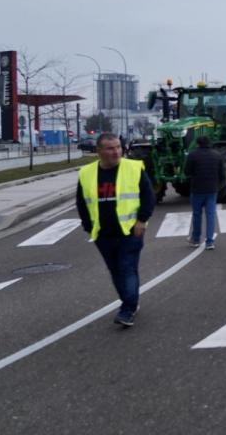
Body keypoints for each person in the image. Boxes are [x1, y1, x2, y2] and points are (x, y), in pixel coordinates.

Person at [76, 132, 156, 327]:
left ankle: (128, 308)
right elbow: (81, 202)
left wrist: (141, 221)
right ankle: (130, 301)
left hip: (130, 231)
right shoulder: (86, 173)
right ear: (99, 151)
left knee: (127, 268)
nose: (116, 152)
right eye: (110, 148)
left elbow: (149, 196)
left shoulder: (133, 168)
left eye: (118, 147)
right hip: (103, 234)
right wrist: (88, 226)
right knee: (115, 270)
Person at [184, 135, 223, 249]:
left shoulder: (192, 155)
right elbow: (222, 174)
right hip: (212, 189)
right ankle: (210, 241)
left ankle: (195, 239)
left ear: (197, 144)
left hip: (197, 189)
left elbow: (187, 172)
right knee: (210, 215)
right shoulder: (217, 155)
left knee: (197, 215)